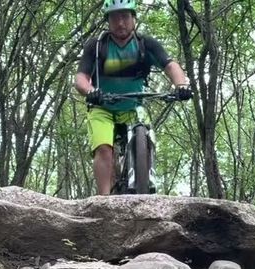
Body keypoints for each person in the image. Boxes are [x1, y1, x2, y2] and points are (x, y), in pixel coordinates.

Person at [75, 0, 193, 196]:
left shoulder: (146, 44)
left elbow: (171, 65)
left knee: (146, 138)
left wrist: (181, 85)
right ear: (108, 21)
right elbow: (81, 78)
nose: (120, 23)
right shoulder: (96, 46)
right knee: (104, 148)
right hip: (102, 107)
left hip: (133, 106)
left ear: (133, 18)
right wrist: (90, 91)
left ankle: (146, 185)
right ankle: (103, 202)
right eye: (115, 17)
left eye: (125, 17)